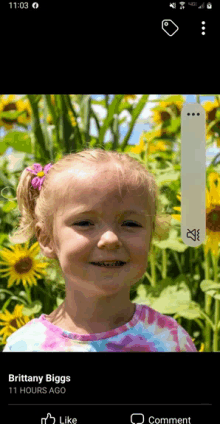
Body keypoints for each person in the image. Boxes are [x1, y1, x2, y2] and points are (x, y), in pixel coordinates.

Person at [2, 148, 197, 352]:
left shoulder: (171, 340)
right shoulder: (25, 347)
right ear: (47, 239)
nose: (111, 239)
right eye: (85, 223)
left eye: (130, 224)